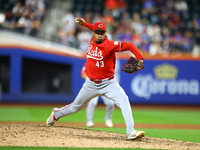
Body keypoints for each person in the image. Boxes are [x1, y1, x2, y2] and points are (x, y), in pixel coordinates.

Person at [46, 17, 145, 140]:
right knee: (76, 107)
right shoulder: (92, 39)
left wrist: (140, 58)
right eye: (97, 33)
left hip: (108, 83)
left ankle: (130, 131)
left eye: (102, 33)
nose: (99, 35)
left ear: (105, 34)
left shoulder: (109, 45)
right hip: (90, 84)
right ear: (93, 33)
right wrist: (84, 23)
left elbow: (130, 45)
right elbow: (93, 27)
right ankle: (57, 114)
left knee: (124, 100)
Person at [80, 63, 115, 128]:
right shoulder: (90, 61)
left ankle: (108, 119)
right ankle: (89, 121)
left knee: (110, 103)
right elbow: (83, 73)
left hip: (104, 86)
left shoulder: (105, 62)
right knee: (92, 103)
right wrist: (91, 79)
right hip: (94, 86)